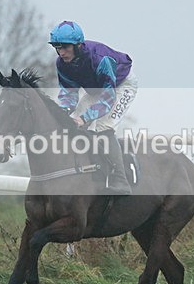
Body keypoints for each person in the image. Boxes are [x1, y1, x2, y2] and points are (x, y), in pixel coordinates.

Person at [49, 20, 137, 195]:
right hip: (97, 89)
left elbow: (108, 97)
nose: (61, 52)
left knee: (103, 127)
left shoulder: (100, 59)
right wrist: (63, 113)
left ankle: (121, 180)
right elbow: (68, 94)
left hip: (121, 86)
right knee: (72, 125)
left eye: (65, 47)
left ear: (78, 45)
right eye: (57, 47)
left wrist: (84, 118)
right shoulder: (62, 64)